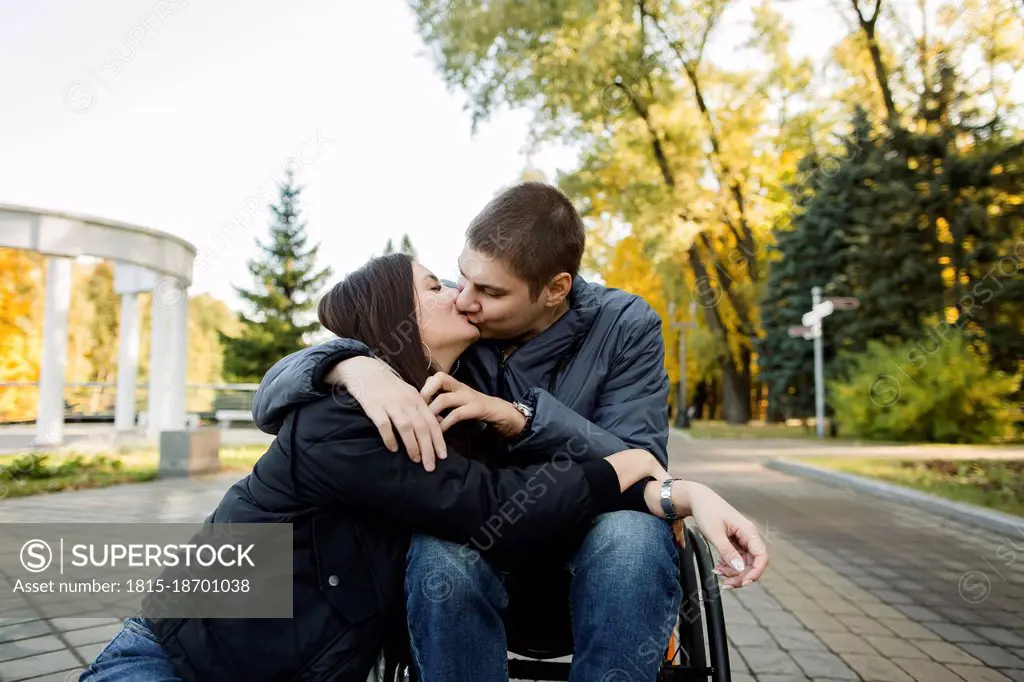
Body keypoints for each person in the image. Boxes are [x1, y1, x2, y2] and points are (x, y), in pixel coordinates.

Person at [79, 254, 760, 682]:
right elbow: (491, 508)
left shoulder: (443, 405)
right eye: (436, 286)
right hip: (177, 663)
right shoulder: (346, 419)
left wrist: (681, 488)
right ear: (393, 318)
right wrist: (622, 467)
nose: (461, 296)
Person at [249, 183, 768, 681]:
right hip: (482, 536)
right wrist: (348, 365)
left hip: (594, 545)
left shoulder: (625, 324)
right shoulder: (458, 329)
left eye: (489, 292)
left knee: (629, 538)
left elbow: (640, 460)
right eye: (460, 278)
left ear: (555, 289)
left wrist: (520, 417)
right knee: (442, 552)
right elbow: (296, 381)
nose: (464, 299)